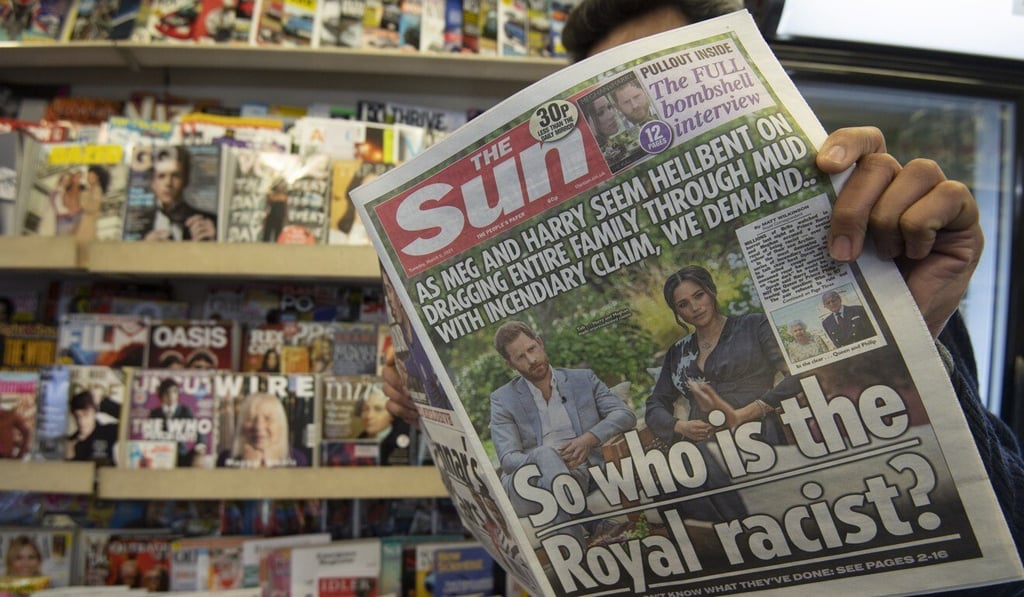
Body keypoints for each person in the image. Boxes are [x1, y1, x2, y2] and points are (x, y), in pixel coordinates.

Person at [380, 0, 1022, 567]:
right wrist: (436, 408)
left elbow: (1003, 536)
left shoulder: (860, 267)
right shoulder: (677, 355)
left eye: (655, 75)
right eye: (608, 96)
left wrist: (911, 329)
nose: (633, 105)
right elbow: (652, 406)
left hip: (777, 459)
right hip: (690, 474)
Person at [489, 320, 635, 538]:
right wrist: (548, 459)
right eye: (520, 357)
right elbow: (509, 459)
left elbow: (625, 415)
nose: (531, 359)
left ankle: (578, 554)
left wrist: (587, 440)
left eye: (532, 349)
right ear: (510, 364)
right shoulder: (502, 399)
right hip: (526, 485)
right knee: (546, 454)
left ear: (540, 343)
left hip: (578, 473)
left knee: (555, 478)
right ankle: (587, 521)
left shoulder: (583, 379)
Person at [647, 265, 799, 447]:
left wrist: (746, 413)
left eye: (698, 295)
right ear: (677, 312)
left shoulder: (754, 325)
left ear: (711, 291)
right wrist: (679, 426)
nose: (695, 307)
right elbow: (655, 403)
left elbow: (797, 374)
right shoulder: (677, 352)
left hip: (759, 432)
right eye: (683, 304)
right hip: (705, 447)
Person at [144, 146, 216, 241]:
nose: (168, 183)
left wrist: (213, 243)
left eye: (175, 176)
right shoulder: (138, 224)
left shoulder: (209, 222)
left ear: (186, 180)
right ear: (152, 182)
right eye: (161, 176)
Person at [217, 392, 307, 468]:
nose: (259, 426)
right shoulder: (226, 459)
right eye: (251, 418)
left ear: (280, 425)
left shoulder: (298, 460)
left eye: (268, 419)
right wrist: (246, 466)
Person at [357, 385, 411, 465]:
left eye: (378, 409)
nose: (369, 416)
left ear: (392, 415)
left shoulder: (404, 444)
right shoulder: (355, 443)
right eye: (365, 409)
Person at [149, 377, 195, 465]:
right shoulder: (155, 413)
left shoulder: (185, 410)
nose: (171, 396)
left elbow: (198, 430)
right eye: (167, 393)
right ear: (161, 395)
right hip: (159, 454)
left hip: (181, 455)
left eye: (174, 392)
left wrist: (201, 445)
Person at [66, 388, 120, 464]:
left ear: (94, 412)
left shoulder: (107, 432)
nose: (81, 421)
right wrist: (68, 459)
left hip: (107, 475)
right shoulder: (70, 442)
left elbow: (131, 421)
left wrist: (104, 403)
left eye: (86, 415)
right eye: (77, 416)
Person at [262, 178, 288, 243]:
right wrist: (264, 215)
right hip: (271, 216)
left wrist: (286, 217)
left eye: (281, 186)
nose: (279, 188)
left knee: (278, 233)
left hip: (280, 217)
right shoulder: (271, 195)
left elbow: (286, 207)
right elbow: (267, 206)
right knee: (267, 233)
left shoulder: (284, 196)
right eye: (278, 186)